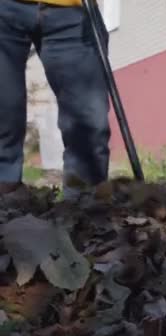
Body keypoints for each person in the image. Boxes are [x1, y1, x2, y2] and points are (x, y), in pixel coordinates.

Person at [0, 0, 110, 199]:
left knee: (89, 122)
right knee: (3, 114)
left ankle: (85, 210)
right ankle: (5, 200)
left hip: (73, 9)